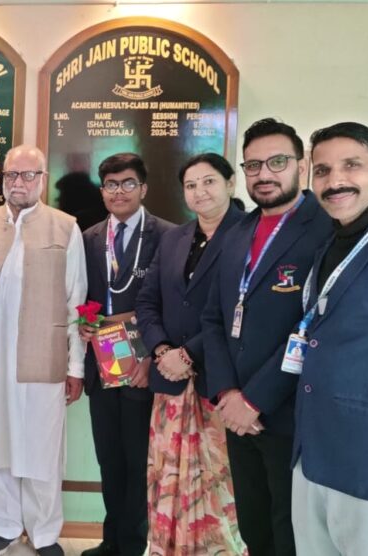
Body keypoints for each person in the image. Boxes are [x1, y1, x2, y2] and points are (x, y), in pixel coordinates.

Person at [201, 118, 333, 556]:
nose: (264, 174)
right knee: (253, 525)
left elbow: (313, 324)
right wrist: (226, 392)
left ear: (301, 165)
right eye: (253, 165)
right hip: (237, 411)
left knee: (290, 531)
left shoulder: (326, 228)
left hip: (290, 409)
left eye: (277, 162)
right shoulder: (236, 231)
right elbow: (214, 317)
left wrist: (255, 399)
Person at [0, 144, 87, 556]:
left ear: (42, 179)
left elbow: (76, 301)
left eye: (29, 175)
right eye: (12, 175)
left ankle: (44, 532)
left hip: (41, 359)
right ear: (3, 178)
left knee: (41, 448)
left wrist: (76, 366)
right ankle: (2, 525)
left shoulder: (65, 227)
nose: (19, 183)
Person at [290, 122, 368, 555]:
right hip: (313, 454)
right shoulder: (331, 243)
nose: (335, 181)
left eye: (351, 165)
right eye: (322, 170)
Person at [134, 154, 246, 555]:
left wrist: (188, 354)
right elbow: (147, 302)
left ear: (230, 184)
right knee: (167, 478)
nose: (200, 192)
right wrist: (162, 349)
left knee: (219, 483)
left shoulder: (249, 236)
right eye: (191, 185)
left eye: (209, 181)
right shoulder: (174, 238)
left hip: (220, 382)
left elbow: (239, 309)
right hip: (169, 380)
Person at [78, 153, 174, 556]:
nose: (119, 191)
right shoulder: (88, 238)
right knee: (109, 459)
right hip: (101, 364)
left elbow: (172, 303)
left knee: (138, 462)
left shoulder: (168, 236)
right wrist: (83, 323)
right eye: (112, 185)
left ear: (143, 188)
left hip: (142, 364)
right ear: (103, 191)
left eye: (128, 183)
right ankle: (111, 540)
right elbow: (80, 293)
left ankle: (133, 545)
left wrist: (152, 357)